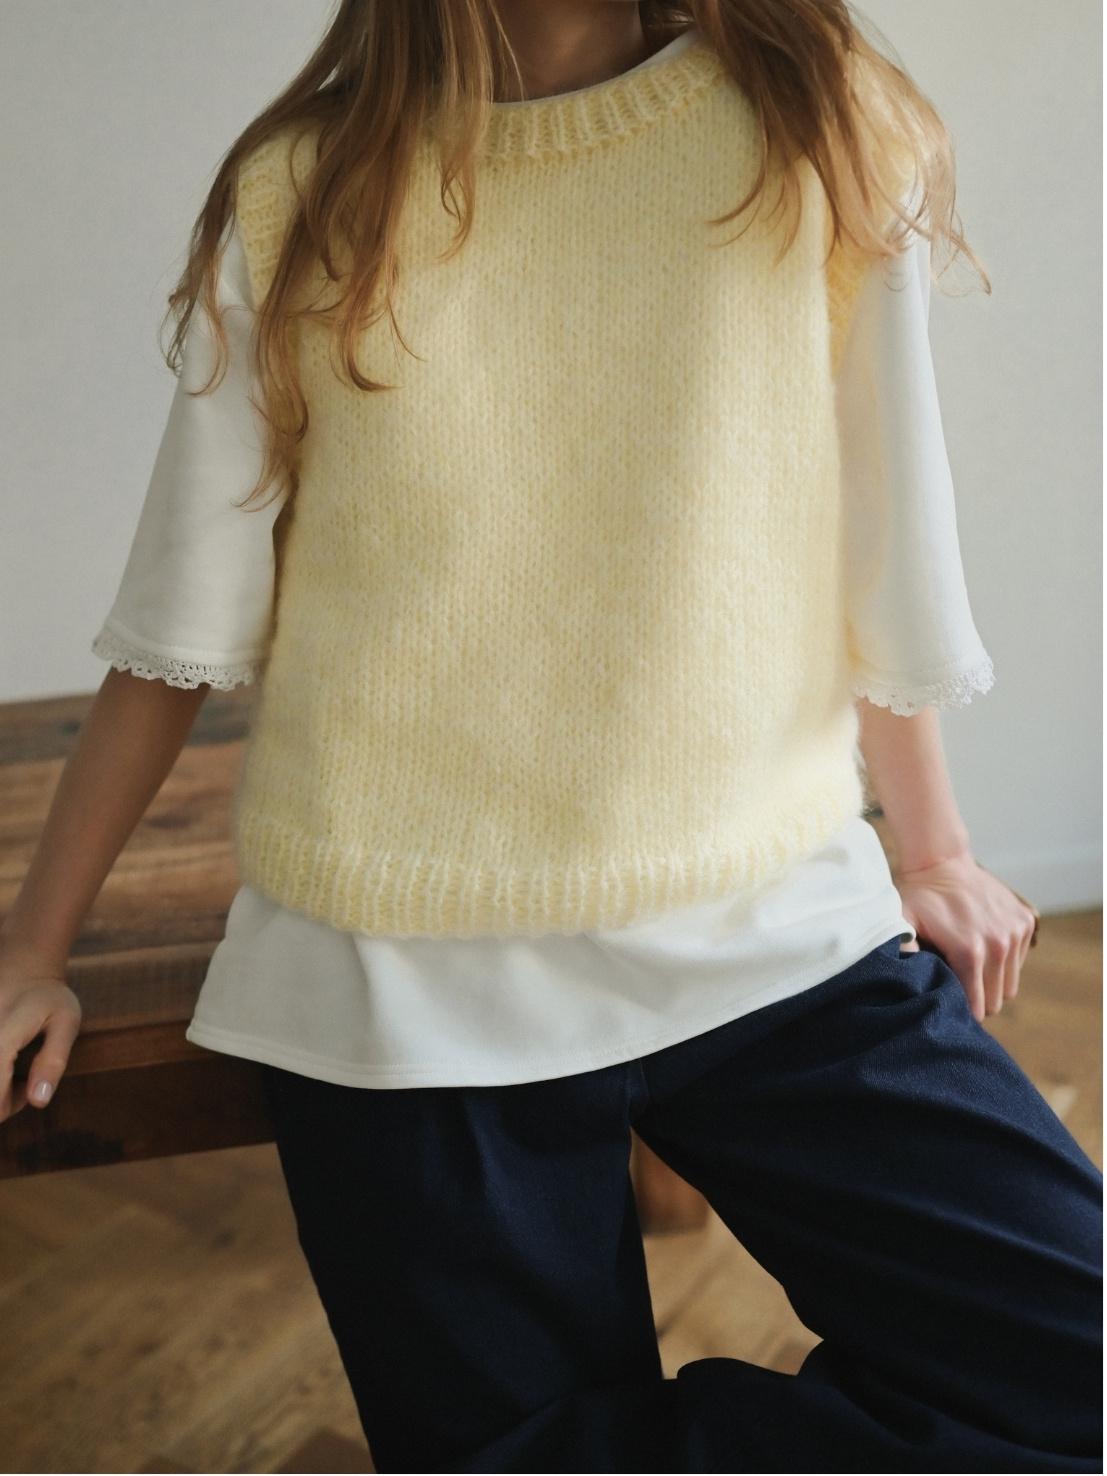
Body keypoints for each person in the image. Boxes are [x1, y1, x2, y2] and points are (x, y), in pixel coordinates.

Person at [0, 1, 1099, 1471]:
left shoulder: (811, 120)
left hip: (766, 927)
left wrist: (937, 847)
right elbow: (175, 628)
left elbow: (883, 522)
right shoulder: (304, 191)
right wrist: (32, 951)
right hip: (399, 993)